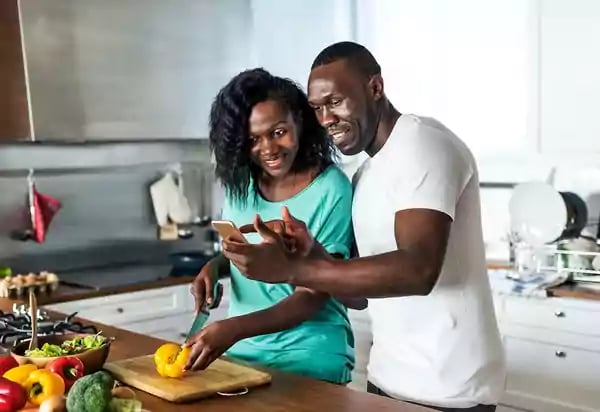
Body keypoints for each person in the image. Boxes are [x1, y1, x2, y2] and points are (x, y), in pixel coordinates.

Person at [220, 42, 506, 411]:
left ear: (375, 88)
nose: (325, 119)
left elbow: (418, 270)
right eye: (317, 109)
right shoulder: (366, 174)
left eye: (335, 102)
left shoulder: (422, 144)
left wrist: (299, 268)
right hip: (389, 378)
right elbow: (358, 296)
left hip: (449, 385)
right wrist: (312, 254)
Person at [184, 67, 359, 385]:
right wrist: (216, 266)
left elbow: (316, 290)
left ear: (299, 122)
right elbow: (244, 251)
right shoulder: (241, 184)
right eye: (252, 139)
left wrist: (234, 329)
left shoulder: (331, 189)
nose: (268, 149)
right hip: (241, 355)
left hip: (307, 356)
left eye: (278, 132)